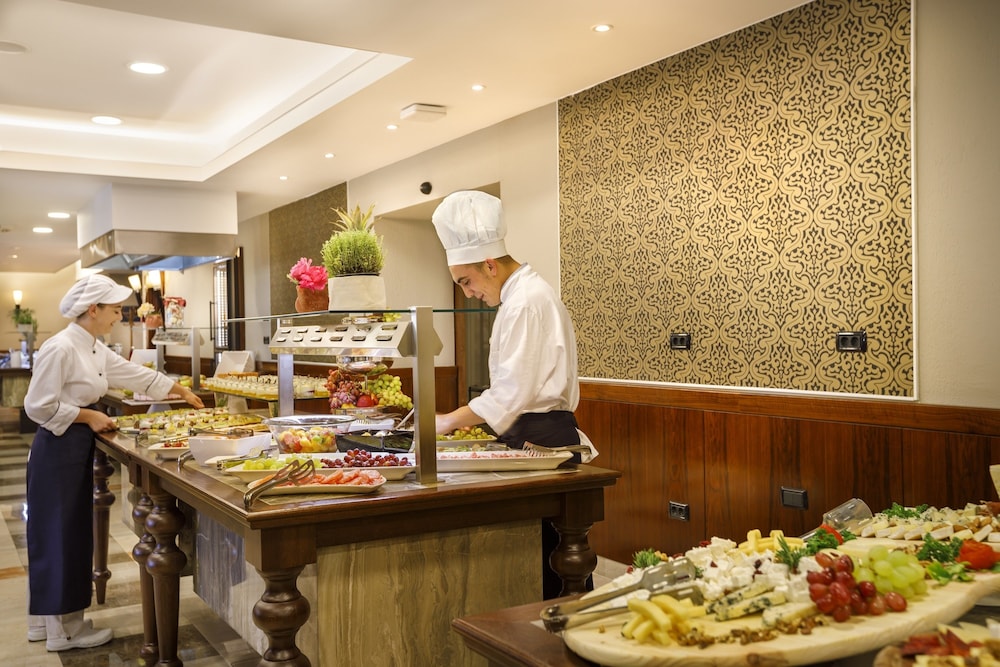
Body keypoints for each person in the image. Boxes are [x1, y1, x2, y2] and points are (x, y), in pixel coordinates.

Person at [23, 273, 204, 651]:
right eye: (116, 310)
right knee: (60, 536)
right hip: (57, 449)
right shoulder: (61, 347)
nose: (120, 316)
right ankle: (64, 632)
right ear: (94, 309)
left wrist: (178, 389)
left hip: (71, 446)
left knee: (64, 533)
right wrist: (89, 416)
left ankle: (46, 621)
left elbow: (130, 372)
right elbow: (37, 406)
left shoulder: (92, 346)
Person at [431, 190, 596, 599]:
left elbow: (510, 393)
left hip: (544, 441)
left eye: (466, 281)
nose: (467, 293)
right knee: (538, 560)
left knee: (554, 564)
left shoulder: (526, 302)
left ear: (490, 264)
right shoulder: (517, 298)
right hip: (532, 437)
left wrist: (449, 420)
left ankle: (561, 630)